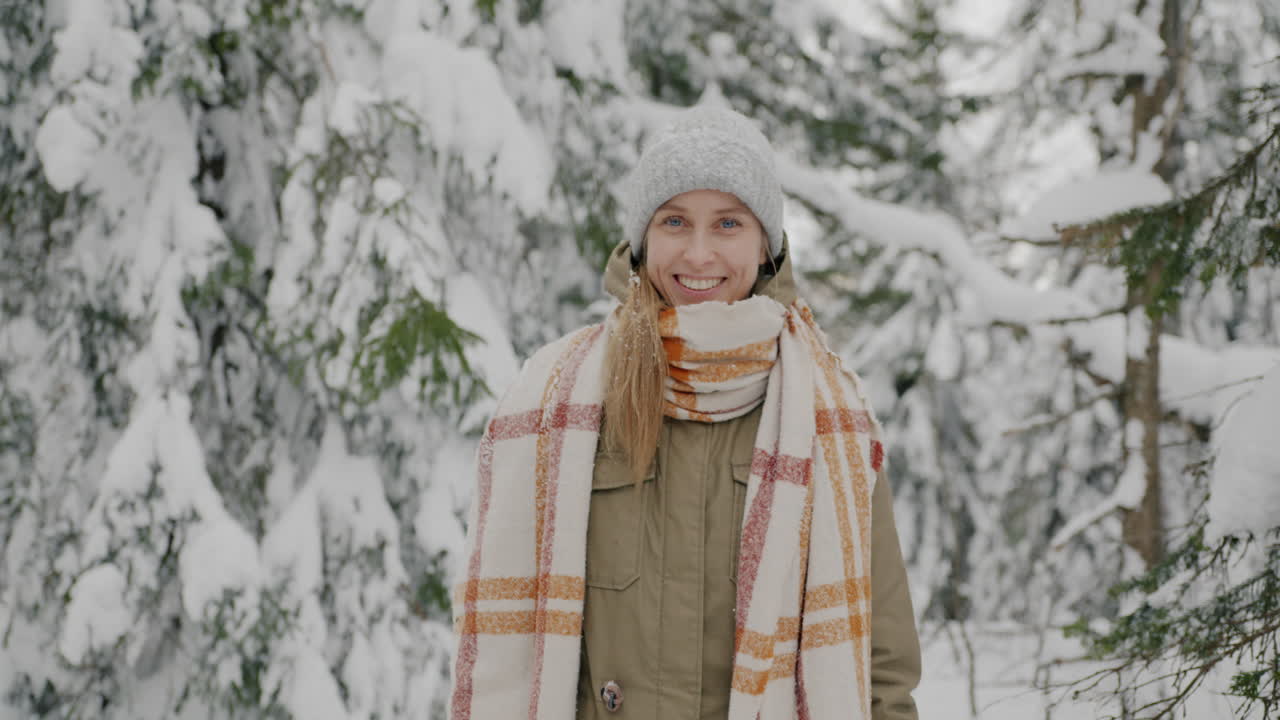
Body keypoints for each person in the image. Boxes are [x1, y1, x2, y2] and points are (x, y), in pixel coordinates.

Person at [450, 106, 920, 720]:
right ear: (644, 238)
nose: (699, 253)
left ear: (765, 244)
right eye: (675, 220)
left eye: (728, 222)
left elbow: (880, 663)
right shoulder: (553, 399)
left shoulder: (829, 417)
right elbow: (495, 649)